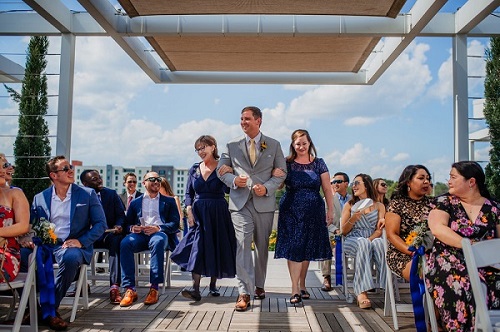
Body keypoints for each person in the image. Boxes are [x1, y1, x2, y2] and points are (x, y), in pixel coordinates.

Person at [21, 155, 107, 330]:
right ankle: (33, 306)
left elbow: (101, 224)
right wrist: (28, 238)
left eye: (71, 168)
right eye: (65, 168)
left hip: (73, 246)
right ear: (54, 175)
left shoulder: (87, 194)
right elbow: (34, 225)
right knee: (21, 255)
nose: (71, 171)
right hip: (46, 245)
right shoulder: (40, 198)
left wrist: (81, 241)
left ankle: (49, 309)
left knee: (70, 257)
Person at [217, 106, 286, 312]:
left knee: (262, 248)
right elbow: (222, 172)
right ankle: (243, 292)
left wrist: (266, 187)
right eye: (241, 119)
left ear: (259, 121)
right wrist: (234, 180)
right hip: (239, 204)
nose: (243, 122)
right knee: (243, 244)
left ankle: (259, 285)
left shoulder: (274, 145)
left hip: (264, 203)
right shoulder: (231, 145)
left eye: (247, 119)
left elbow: (281, 174)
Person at [426, 161, 500, 331]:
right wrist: (469, 246)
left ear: (471, 182)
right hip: (448, 261)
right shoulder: (443, 202)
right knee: (459, 283)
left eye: (453, 177)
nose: (448, 182)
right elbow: (438, 229)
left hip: (487, 264)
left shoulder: (494, 208)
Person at [171, 135, 237, 302]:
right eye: (198, 149)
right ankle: (195, 288)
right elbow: (188, 193)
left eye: (203, 148)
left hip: (218, 211)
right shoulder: (194, 169)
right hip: (198, 211)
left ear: (213, 147)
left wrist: (232, 172)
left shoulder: (223, 167)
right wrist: (189, 210)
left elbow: (230, 190)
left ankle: (213, 285)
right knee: (198, 247)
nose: (200, 152)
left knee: (215, 245)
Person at [274, 129, 333, 304]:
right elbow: (278, 187)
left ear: (310, 143)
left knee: (306, 248)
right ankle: (294, 290)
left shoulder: (319, 163)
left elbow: (328, 189)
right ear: (293, 145)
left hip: (314, 210)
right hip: (290, 210)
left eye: (304, 143)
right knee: (294, 247)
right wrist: (275, 175)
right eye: (298, 143)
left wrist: (331, 210)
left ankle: (303, 285)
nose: (301, 146)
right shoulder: (286, 163)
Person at [119, 171, 180, 307]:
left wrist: (158, 228)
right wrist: (133, 228)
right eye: (152, 179)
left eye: (158, 179)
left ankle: (154, 288)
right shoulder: (135, 203)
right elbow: (126, 224)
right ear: (144, 183)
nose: (156, 181)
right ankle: (130, 289)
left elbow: (175, 223)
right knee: (125, 243)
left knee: (157, 241)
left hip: (159, 234)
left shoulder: (168, 201)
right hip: (140, 235)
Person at [80, 169, 126, 304]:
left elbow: (120, 215)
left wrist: (119, 226)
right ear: (85, 183)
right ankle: (81, 285)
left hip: (108, 234)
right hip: (88, 236)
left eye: (99, 177)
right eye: (94, 179)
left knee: (116, 241)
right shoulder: (81, 196)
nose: (99, 180)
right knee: (75, 245)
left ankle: (114, 287)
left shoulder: (111, 194)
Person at [341, 173, 386, 309]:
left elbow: (379, 230)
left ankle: (386, 284)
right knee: (363, 243)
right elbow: (343, 230)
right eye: (352, 184)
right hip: (352, 239)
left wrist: (370, 239)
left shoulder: (379, 206)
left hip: (372, 238)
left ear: (366, 185)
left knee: (380, 243)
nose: (353, 186)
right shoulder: (349, 205)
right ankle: (361, 292)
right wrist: (354, 218)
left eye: (356, 183)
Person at [385, 165, 433, 281]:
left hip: (431, 251)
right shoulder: (397, 204)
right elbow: (392, 235)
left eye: (428, 178)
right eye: (421, 178)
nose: (426, 182)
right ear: (408, 182)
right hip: (402, 253)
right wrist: (412, 252)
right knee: (425, 270)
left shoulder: (434, 204)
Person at [321, 172, 351, 292]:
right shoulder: (327, 200)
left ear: (346, 184)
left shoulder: (353, 200)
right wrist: (336, 230)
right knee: (325, 241)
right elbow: (325, 220)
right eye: (333, 182)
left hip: (351, 233)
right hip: (334, 232)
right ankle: (326, 277)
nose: (335, 184)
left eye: (338, 181)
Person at [0, 162, 30, 283]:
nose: (3, 170)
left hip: (6, 253)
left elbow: (23, 226)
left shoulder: (14, 193)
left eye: (3, 166)